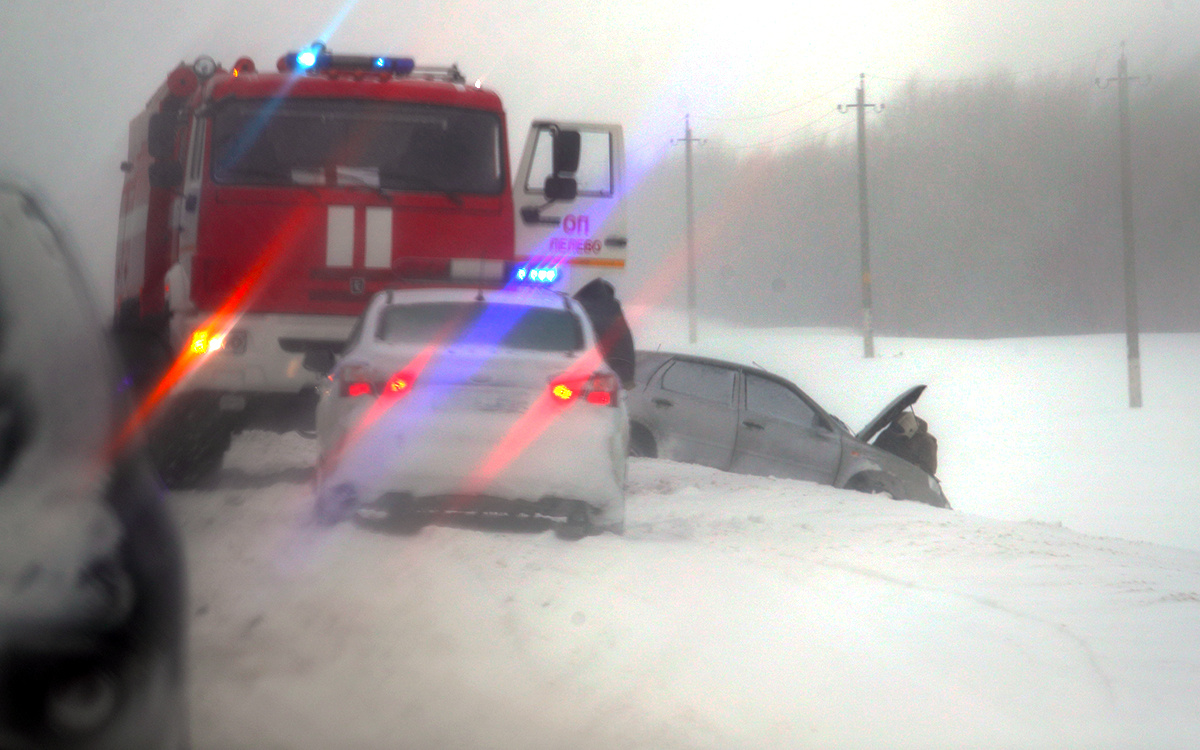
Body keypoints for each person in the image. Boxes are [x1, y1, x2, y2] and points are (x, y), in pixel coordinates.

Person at [573, 278, 635, 388]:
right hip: (619, 367)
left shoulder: (582, 309)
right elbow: (625, 343)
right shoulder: (612, 310)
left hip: (591, 371)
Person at [874, 410, 938, 476]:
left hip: (908, 479)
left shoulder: (927, 442)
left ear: (910, 431)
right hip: (884, 472)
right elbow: (874, 451)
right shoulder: (888, 434)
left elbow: (928, 471)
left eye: (899, 430)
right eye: (894, 428)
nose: (895, 433)